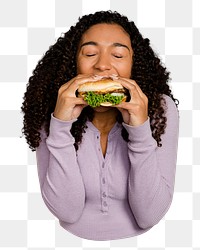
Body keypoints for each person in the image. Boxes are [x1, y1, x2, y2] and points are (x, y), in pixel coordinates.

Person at [21, 11, 179, 241]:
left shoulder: (158, 108)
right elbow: (67, 211)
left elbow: (149, 215)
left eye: (117, 54)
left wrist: (140, 128)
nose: (103, 65)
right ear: (74, 62)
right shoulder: (51, 107)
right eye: (90, 53)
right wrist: (60, 125)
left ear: (134, 65)